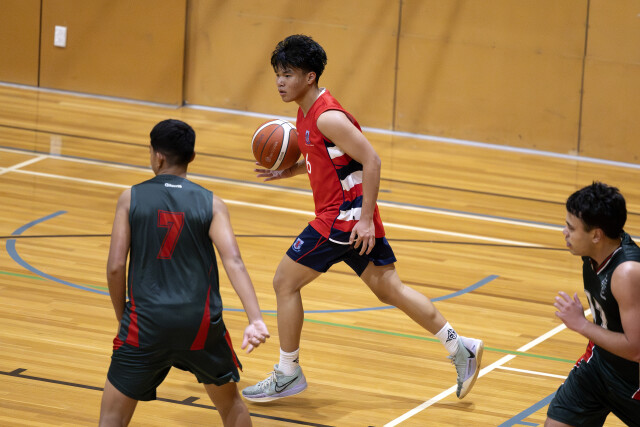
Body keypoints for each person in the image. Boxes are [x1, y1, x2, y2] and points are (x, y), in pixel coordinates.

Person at [241, 34, 483, 402]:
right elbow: (326, 158)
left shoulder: (328, 116)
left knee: (284, 282)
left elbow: (372, 160)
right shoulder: (305, 112)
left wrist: (366, 219)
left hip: (341, 220)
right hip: (351, 221)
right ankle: (459, 347)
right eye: (278, 74)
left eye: (288, 74)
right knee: (390, 289)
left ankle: (288, 372)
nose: (280, 82)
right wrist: (288, 171)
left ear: (309, 77)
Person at [99, 119, 270, 427]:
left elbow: (115, 267)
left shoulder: (130, 198)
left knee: (112, 417)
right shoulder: (212, 204)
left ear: (157, 156)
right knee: (231, 406)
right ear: (191, 157)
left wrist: (123, 317)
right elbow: (234, 261)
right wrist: (255, 318)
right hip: (199, 324)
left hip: (146, 323)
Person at [546, 182, 640, 426]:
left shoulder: (627, 272)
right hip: (599, 366)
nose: (564, 232)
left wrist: (582, 325)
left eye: (571, 227)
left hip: (634, 381)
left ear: (596, 235)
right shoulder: (595, 252)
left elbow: (636, 349)